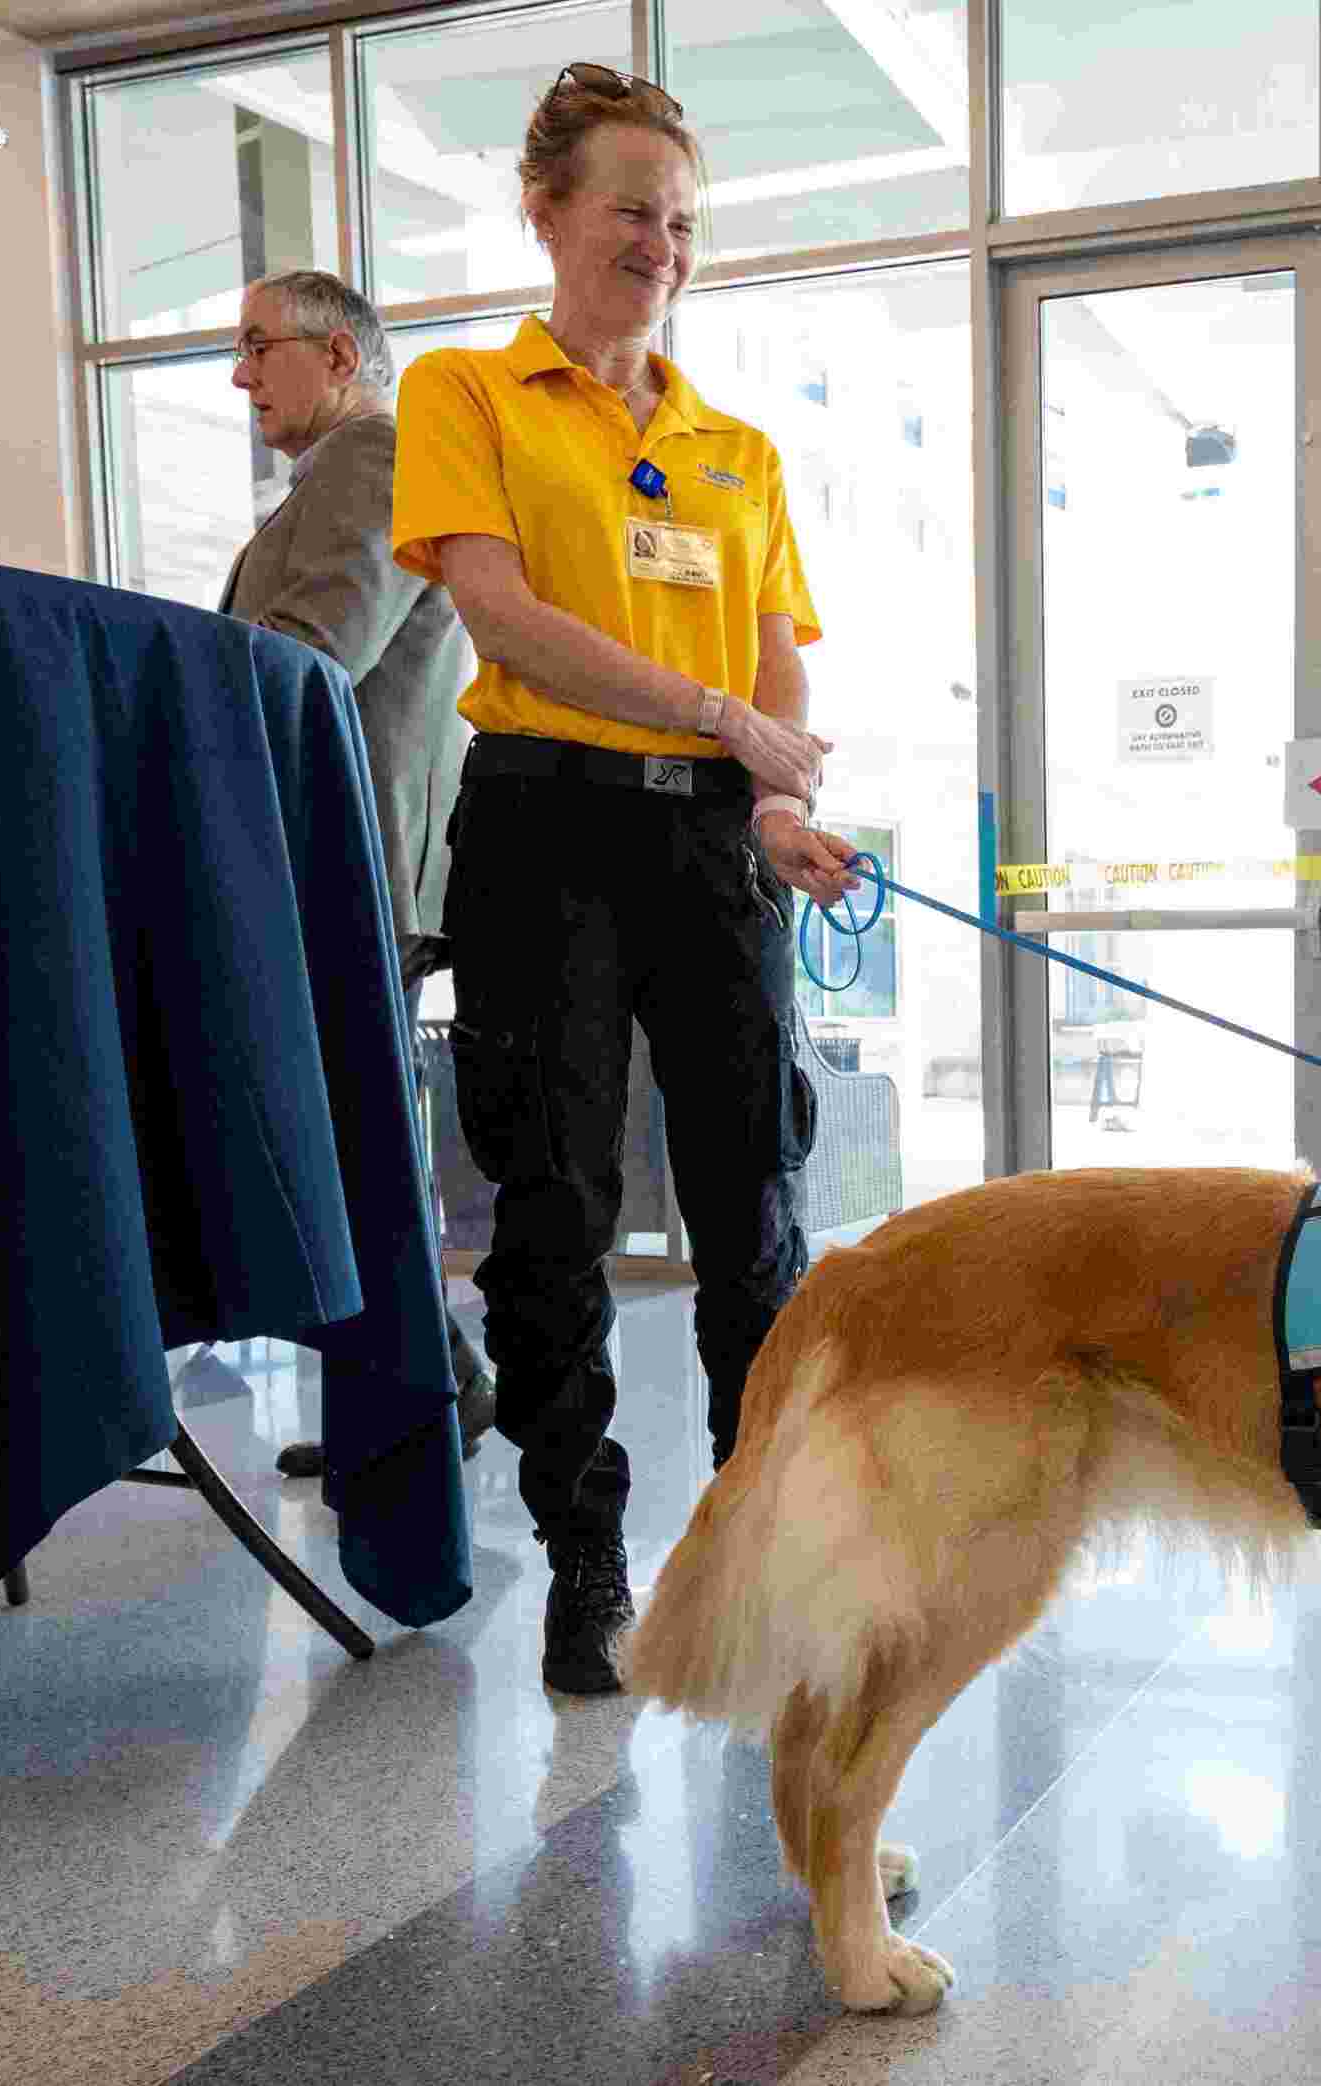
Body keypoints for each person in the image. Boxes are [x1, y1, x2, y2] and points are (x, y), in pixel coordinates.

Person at [389, 62, 864, 1696]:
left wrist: (769, 805)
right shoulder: (469, 395)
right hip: (542, 828)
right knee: (553, 1210)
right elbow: (501, 615)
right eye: (626, 211)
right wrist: (725, 722)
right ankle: (584, 1561)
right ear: (543, 212)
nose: (658, 241)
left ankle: (754, 1549)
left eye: (679, 219)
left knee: (755, 1214)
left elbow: (775, 660)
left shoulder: (734, 448)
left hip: (703, 844)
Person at [213, 266, 496, 1474]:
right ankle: (411, 1395)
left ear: (339, 358)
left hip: (348, 867)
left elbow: (307, 656)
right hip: (349, 864)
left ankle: (431, 1390)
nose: (238, 374)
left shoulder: (367, 460)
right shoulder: (338, 476)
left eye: (256, 346)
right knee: (346, 1138)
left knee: (347, 1141)